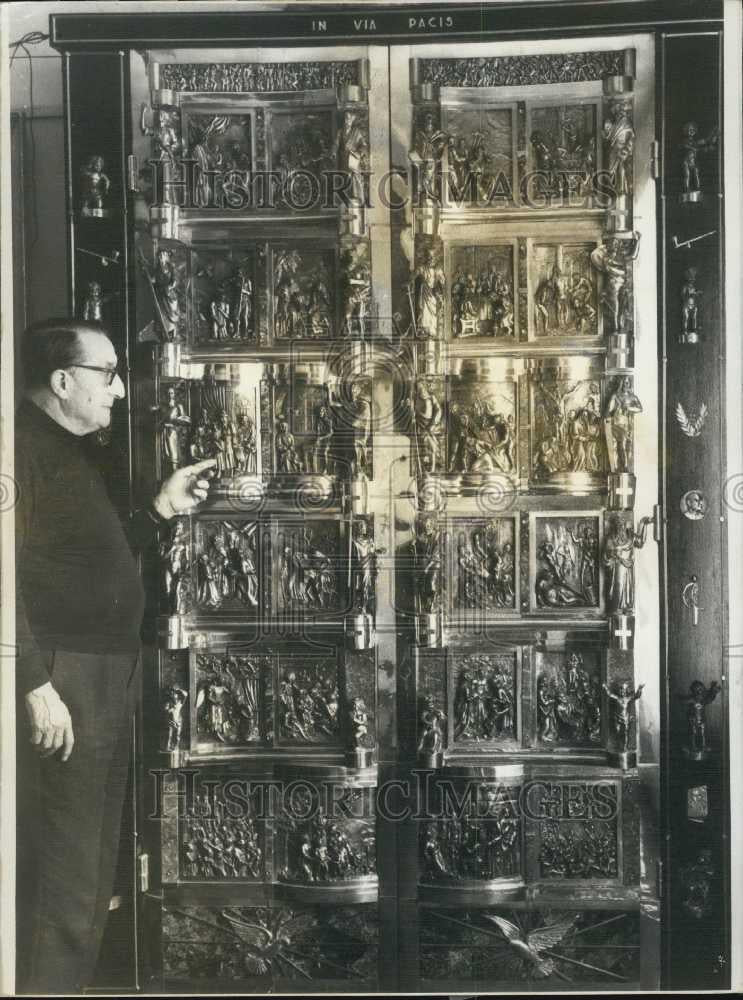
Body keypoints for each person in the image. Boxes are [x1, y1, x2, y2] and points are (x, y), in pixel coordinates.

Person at [15, 318, 216, 993]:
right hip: (63, 676)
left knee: (95, 866)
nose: (121, 390)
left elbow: (80, 560)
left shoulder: (72, 452)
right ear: (63, 380)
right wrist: (33, 682)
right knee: (67, 874)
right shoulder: (19, 451)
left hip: (102, 672)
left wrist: (158, 509)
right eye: (107, 374)